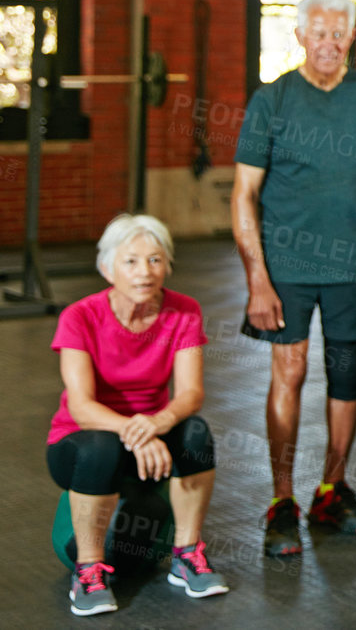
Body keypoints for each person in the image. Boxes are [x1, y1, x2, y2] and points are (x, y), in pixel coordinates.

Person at [232, 0, 356, 557]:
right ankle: (282, 500)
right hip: (285, 266)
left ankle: (332, 489)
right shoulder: (273, 101)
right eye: (319, 32)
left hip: (352, 266)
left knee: (346, 375)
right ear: (301, 36)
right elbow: (243, 195)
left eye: (339, 33)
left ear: (351, 36)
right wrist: (257, 279)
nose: (329, 43)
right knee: (290, 369)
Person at [47, 213, 227, 616]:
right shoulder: (79, 316)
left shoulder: (184, 311)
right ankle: (89, 571)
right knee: (101, 449)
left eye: (155, 260)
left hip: (150, 433)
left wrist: (158, 424)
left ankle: (186, 554)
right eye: (130, 261)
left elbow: (191, 394)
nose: (145, 272)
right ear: (108, 268)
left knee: (195, 433)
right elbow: (81, 406)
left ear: (167, 265)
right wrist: (137, 431)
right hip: (81, 440)